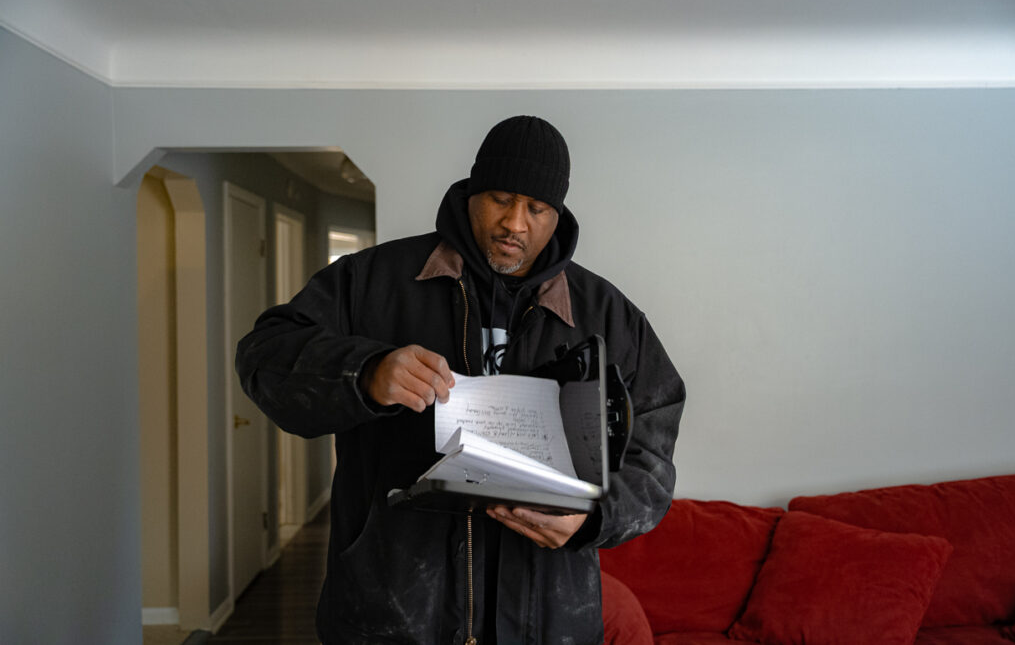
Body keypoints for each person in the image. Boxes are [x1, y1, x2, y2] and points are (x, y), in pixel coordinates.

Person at [235, 115, 685, 644]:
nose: (515, 223)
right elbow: (263, 357)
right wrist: (366, 372)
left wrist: (593, 519)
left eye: (536, 209)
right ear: (472, 192)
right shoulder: (372, 281)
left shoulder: (609, 316)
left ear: (557, 214)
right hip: (393, 612)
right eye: (500, 198)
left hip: (546, 620)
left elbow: (651, 455)